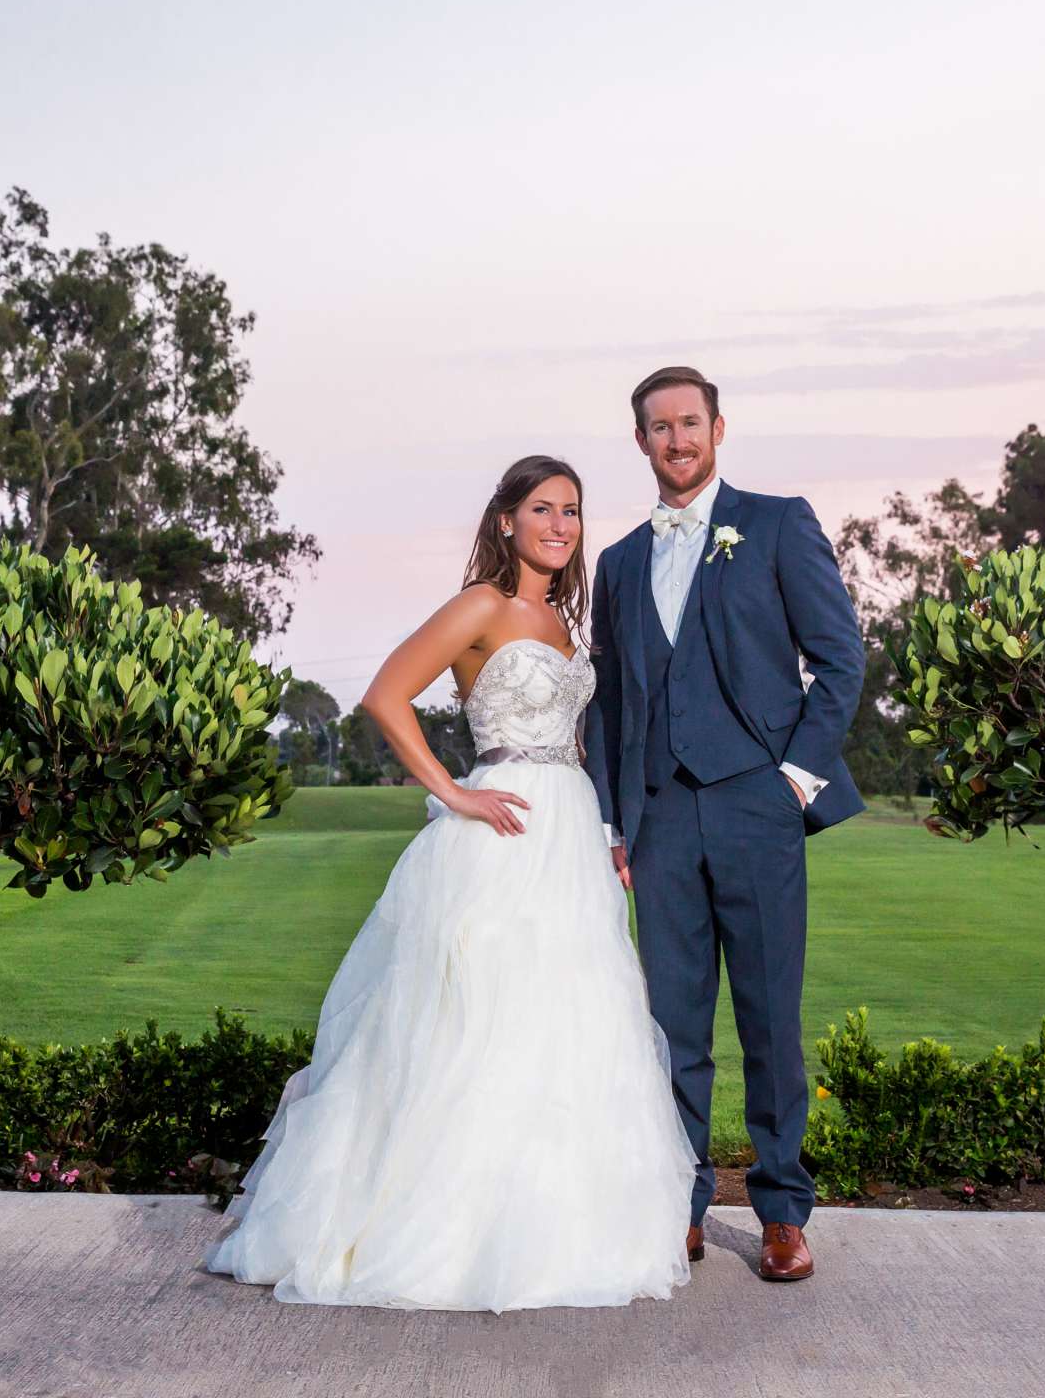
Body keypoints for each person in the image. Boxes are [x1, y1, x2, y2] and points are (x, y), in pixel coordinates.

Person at [204, 454, 695, 1311]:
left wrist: (607, 831)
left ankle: (553, 1228)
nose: (559, 525)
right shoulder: (481, 604)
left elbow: (579, 736)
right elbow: (387, 695)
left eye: (572, 511)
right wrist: (455, 790)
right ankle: (446, 1232)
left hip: (568, 832)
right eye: (542, 508)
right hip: (498, 829)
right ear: (506, 519)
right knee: (477, 1018)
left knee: (568, 1023)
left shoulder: (559, 619)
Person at [582, 365, 866, 1284]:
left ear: (718, 428)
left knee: (770, 1019)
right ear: (641, 442)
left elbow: (840, 659)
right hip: (659, 819)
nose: (677, 439)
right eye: (659, 427)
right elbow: (614, 704)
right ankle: (681, 1200)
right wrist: (617, 821)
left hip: (759, 806)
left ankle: (783, 1211)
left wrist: (792, 780)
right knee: (672, 1025)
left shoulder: (778, 522)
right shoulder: (618, 561)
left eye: (690, 422)